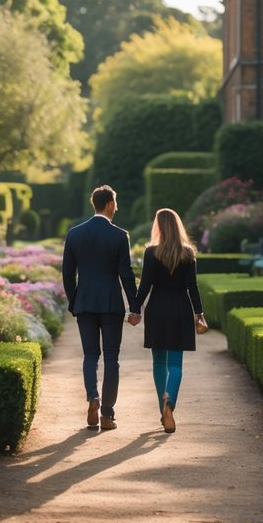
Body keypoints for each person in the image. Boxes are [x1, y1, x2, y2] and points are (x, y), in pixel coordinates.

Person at [62, 185, 139, 431]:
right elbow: (126, 274)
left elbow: (67, 274)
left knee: (90, 355)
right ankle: (107, 414)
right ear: (108, 205)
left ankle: (92, 396)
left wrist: (74, 301)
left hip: (85, 302)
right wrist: (135, 306)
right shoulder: (119, 235)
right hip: (110, 304)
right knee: (112, 359)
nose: (116, 207)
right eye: (115, 203)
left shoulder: (74, 234)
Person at [129, 208, 205, 434]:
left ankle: (163, 410)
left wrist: (135, 309)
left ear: (158, 227)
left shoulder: (152, 252)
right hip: (181, 309)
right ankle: (169, 401)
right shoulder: (188, 253)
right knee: (176, 364)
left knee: (159, 363)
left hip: (157, 309)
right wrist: (199, 313)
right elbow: (193, 287)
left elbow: (145, 285)